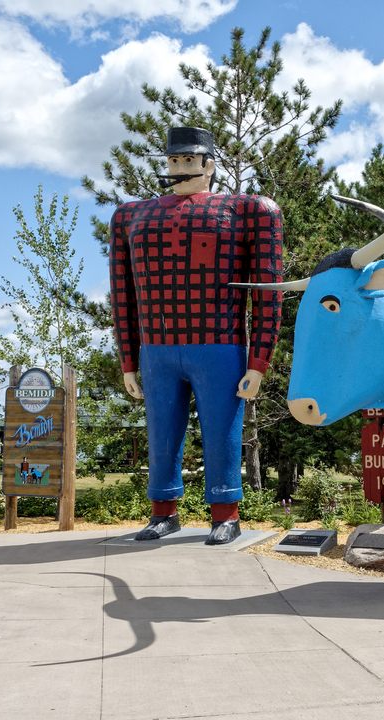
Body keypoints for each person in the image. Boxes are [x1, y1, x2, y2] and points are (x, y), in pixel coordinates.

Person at [109, 126, 282, 545]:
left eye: (188, 161)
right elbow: (122, 293)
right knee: (161, 433)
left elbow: (268, 292)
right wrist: (128, 361)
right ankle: (162, 512)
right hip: (157, 348)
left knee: (223, 430)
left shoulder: (251, 210)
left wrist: (258, 362)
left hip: (219, 345)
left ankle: (226, 513)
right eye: (172, 161)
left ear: (209, 165)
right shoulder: (130, 216)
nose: (178, 169)